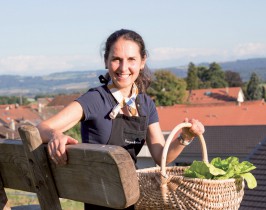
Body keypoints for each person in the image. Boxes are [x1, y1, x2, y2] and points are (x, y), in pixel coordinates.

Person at [37, 29, 205, 210]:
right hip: (99, 201)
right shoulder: (95, 99)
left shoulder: (146, 104)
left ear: (142, 62)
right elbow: (41, 128)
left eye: (131, 59)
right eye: (116, 59)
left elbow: (160, 156)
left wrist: (185, 137)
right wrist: (55, 135)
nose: (123, 68)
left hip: (131, 199)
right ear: (106, 61)